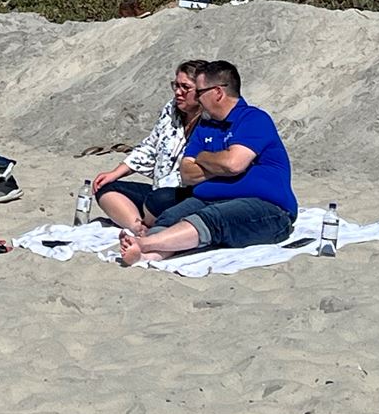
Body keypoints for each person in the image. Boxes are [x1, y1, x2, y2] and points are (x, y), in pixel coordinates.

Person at [120, 61, 298, 264]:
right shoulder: (205, 126)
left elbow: (233, 164)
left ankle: (144, 245)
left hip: (266, 208)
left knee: (215, 218)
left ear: (218, 92)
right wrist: (221, 165)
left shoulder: (253, 119)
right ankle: (146, 256)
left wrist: (203, 158)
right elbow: (187, 172)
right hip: (209, 199)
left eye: (200, 91)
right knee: (170, 217)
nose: (197, 98)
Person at [92, 59, 207, 231]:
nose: (178, 92)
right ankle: (139, 227)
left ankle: (153, 222)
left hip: (186, 192)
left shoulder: (211, 121)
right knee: (106, 188)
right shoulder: (172, 109)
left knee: (160, 200)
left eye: (185, 88)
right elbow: (151, 146)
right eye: (175, 86)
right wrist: (116, 172)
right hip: (159, 189)